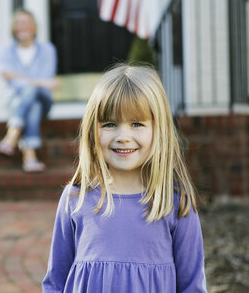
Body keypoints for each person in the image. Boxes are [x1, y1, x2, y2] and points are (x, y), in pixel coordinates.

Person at [42, 65, 207, 292]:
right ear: (92, 129)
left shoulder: (176, 203)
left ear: (158, 129)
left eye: (137, 124)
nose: (123, 137)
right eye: (110, 124)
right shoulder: (75, 198)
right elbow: (55, 283)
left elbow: (192, 286)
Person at [0, 9, 58, 172]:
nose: (22, 26)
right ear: (14, 28)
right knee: (33, 105)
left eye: (26, 22)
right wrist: (37, 82)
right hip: (15, 100)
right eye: (18, 22)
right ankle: (29, 156)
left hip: (43, 99)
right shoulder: (6, 51)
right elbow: (7, 76)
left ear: (34, 27)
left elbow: (45, 77)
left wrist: (22, 78)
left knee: (33, 94)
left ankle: (12, 136)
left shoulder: (47, 50)